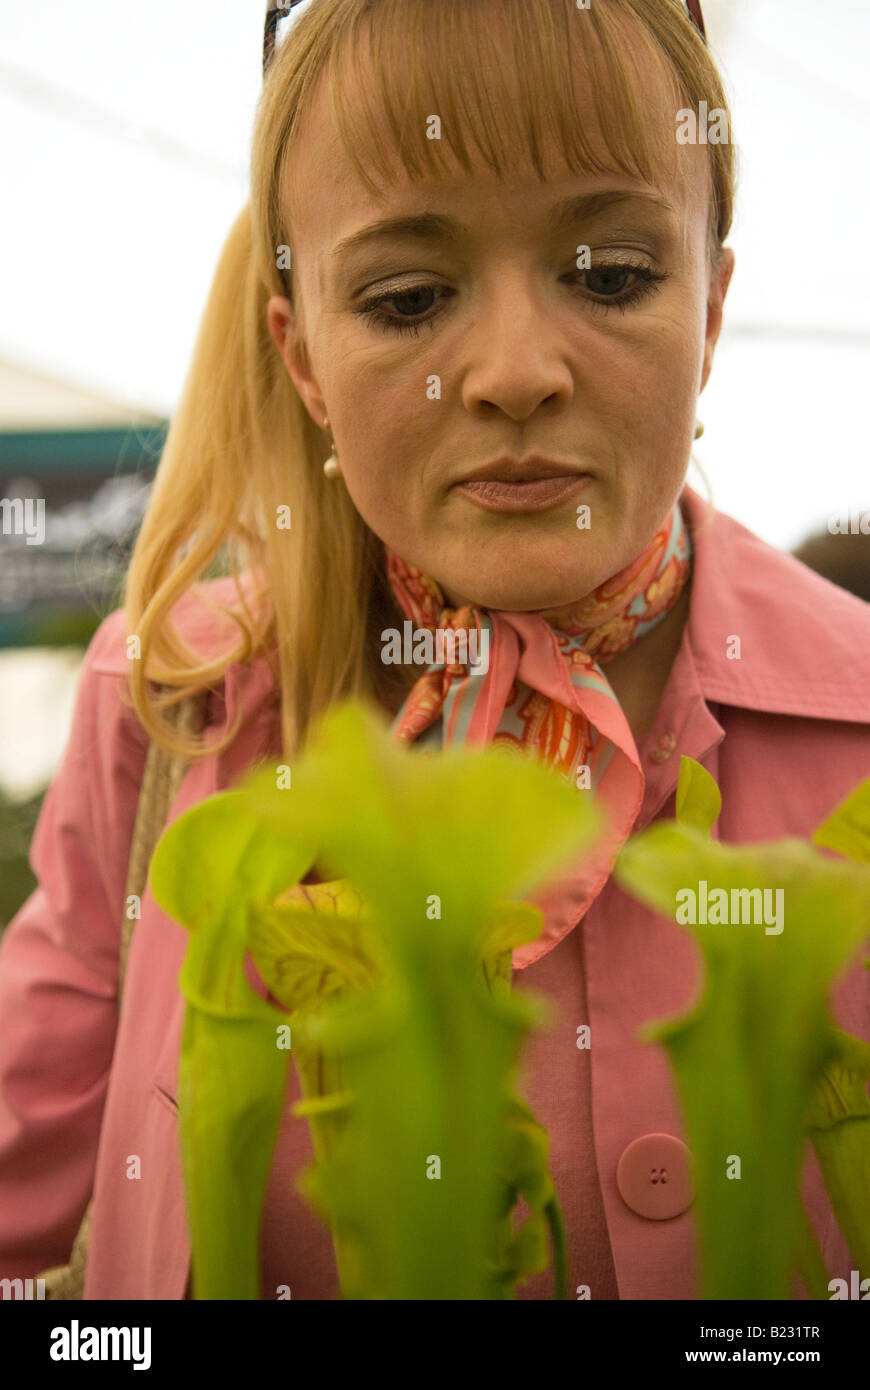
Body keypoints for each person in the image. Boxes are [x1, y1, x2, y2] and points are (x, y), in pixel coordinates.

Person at [1, 0, 869, 1301]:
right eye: (408, 296)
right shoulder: (165, 708)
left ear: (710, 310)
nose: (515, 372)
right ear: (304, 360)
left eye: (609, 274)